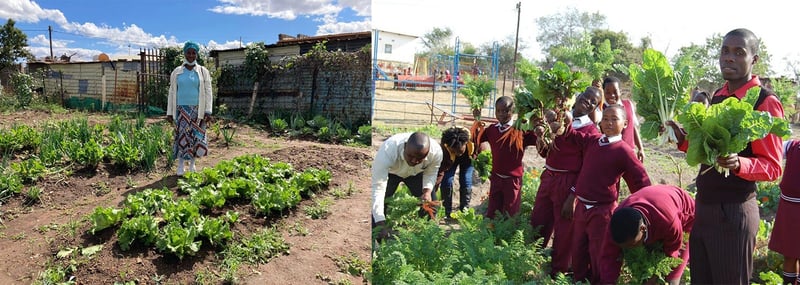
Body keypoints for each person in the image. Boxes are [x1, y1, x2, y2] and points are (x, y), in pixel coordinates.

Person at [666, 28, 784, 284]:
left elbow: (773, 167)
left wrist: (738, 163)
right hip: (705, 206)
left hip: (734, 212)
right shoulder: (719, 96)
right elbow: (707, 152)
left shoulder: (765, 102)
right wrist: (683, 139)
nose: (728, 57)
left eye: (738, 52)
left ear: (754, 59)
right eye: (724, 51)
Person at [552, 105, 652, 284]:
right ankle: (580, 279)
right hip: (582, 207)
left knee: (599, 253)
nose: (609, 123)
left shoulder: (624, 150)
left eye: (614, 119)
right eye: (605, 119)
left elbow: (640, 179)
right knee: (579, 250)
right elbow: (574, 136)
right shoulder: (594, 141)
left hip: (602, 211)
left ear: (625, 123)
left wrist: (648, 204)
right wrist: (563, 126)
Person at [529, 86, 602, 276]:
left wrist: (573, 195)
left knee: (564, 231)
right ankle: (528, 263)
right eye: (586, 97)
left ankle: (557, 273)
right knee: (538, 221)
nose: (588, 102)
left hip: (568, 181)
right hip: (549, 177)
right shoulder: (557, 119)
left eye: (593, 102)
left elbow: (588, 168)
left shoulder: (591, 132)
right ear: (578, 96)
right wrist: (540, 137)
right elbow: (546, 152)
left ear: (595, 108)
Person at [598, 184, 695, 285]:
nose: (630, 249)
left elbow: (672, 253)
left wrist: (655, 277)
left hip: (687, 218)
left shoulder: (667, 221)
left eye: (632, 245)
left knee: (672, 279)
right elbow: (609, 257)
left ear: (643, 229)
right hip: (657, 206)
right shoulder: (616, 225)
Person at [371, 132, 443, 240]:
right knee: (379, 206)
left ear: (427, 153)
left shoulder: (436, 152)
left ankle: (426, 239)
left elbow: (431, 173)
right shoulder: (388, 150)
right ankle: (377, 241)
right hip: (392, 172)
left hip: (416, 173)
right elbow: (378, 188)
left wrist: (427, 191)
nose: (414, 161)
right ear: (405, 147)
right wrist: (379, 221)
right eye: (410, 156)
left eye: (420, 158)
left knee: (431, 205)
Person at [477, 96, 537, 219]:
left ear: (513, 112)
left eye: (505, 111)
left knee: (511, 213)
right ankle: (492, 236)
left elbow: (539, 140)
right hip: (496, 178)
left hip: (513, 180)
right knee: (493, 211)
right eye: (498, 111)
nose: (501, 114)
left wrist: (537, 123)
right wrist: (477, 119)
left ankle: (509, 237)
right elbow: (477, 138)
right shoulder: (492, 130)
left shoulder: (521, 130)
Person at [167, 41, 213, 176]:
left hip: (197, 110)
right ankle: (181, 165)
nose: (191, 55)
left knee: (195, 138)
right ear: (184, 53)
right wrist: (169, 112)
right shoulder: (177, 72)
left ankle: (192, 164)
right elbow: (171, 92)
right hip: (181, 110)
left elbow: (208, 91)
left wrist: (208, 110)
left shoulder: (203, 71)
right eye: (189, 52)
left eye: (194, 53)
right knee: (182, 137)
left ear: (197, 54)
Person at [769, 139, 800, 285]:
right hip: (788, 208)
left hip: (791, 207)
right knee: (789, 254)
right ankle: (788, 282)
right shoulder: (792, 146)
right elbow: (772, 150)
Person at [433, 126, 475, 219]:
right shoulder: (444, 148)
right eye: (454, 151)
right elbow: (441, 171)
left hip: (468, 159)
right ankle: (447, 212)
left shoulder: (473, 142)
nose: (457, 154)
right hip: (450, 161)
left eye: (460, 151)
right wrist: (433, 188)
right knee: (446, 180)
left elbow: (481, 151)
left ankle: (464, 211)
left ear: (465, 143)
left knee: (465, 179)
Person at [602, 76, 645, 162]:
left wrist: (640, 148)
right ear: (603, 92)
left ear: (620, 91)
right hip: (609, 154)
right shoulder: (601, 109)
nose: (612, 95)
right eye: (608, 92)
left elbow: (632, 127)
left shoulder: (628, 104)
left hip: (629, 152)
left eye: (615, 92)